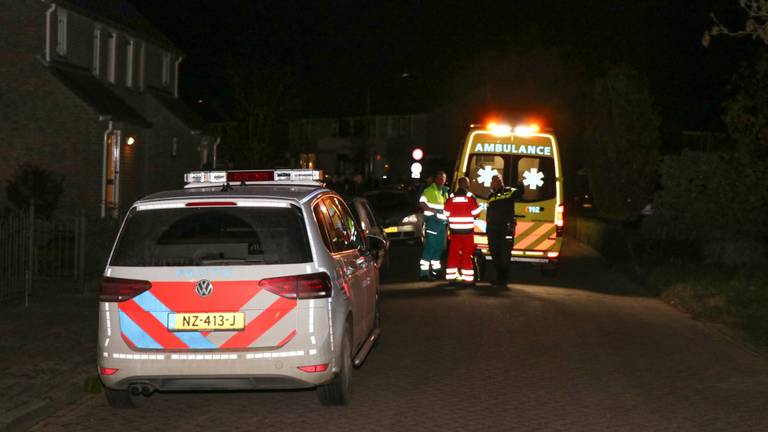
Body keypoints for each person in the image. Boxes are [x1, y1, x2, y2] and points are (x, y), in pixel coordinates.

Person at [444, 177, 481, 286]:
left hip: (455, 232)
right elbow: (476, 213)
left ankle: (451, 278)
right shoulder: (470, 197)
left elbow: (446, 213)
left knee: (453, 254)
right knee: (466, 255)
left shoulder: (451, 196)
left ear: (459, 184)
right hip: (467, 232)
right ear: (466, 184)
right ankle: (468, 280)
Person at [486, 174, 520, 287]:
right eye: (494, 180)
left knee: (504, 255)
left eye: (499, 180)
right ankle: (499, 277)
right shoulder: (490, 196)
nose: (497, 182)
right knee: (494, 253)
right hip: (493, 229)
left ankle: (502, 280)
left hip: (506, 228)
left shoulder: (509, 191)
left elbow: (520, 192)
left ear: (502, 181)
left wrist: (521, 183)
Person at [418, 170, 449, 280]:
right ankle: (424, 273)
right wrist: (433, 210)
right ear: (436, 179)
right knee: (430, 247)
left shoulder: (445, 192)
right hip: (432, 223)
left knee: (438, 248)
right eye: (439, 177)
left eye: (443, 178)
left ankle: (436, 271)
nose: (441, 179)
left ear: (445, 180)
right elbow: (421, 202)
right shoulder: (429, 190)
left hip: (441, 224)